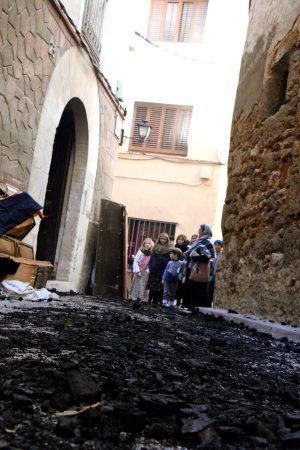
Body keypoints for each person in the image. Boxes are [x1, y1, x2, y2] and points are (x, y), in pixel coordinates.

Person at [181, 224, 215, 309]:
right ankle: (189, 306)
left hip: (202, 268)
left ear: (204, 231)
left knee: (199, 288)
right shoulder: (199, 241)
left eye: (200, 229)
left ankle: (198, 307)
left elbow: (208, 256)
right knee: (191, 287)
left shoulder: (208, 242)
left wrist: (194, 257)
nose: (198, 231)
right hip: (193, 267)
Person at [147, 233, 171, 304]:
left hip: (161, 271)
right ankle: (149, 301)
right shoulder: (154, 247)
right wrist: (150, 268)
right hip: (153, 269)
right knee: (152, 287)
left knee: (159, 288)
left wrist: (161, 260)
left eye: (164, 239)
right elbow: (151, 259)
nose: (163, 240)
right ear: (159, 239)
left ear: (167, 240)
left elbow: (167, 261)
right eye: (161, 239)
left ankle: (157, 301)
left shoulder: (169, 249)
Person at [174, 234, 189, 307]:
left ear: (184, 241)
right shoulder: (175, 247)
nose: (180, 241)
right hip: (174, 267)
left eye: (182, 239)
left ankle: (178, 302)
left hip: (183, 269)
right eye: (179, 239)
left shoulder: (186, 248)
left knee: (180, 286)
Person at [208, 239, 223, 306]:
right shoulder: (212, 254)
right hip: (211, 276)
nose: (217, 246)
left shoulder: (222, 255)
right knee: (209, 292)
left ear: (221, 246)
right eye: (215, 245)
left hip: (219, 276)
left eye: (219, 245)